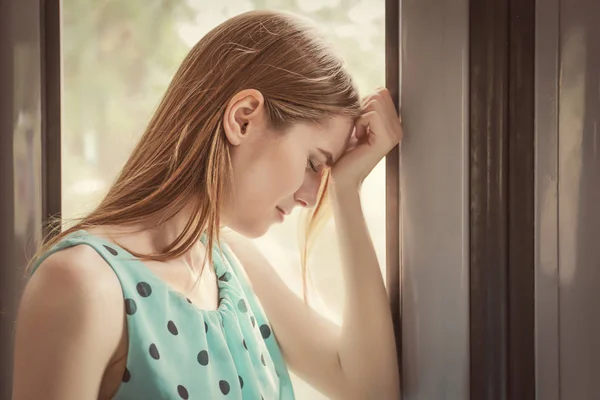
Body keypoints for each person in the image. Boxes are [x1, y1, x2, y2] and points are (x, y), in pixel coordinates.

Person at [12, 10, 401, 400]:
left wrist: (347, 191)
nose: (313, 196)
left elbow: (370, 389)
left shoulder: (232, 265)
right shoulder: (82, 285)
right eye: (314, 164)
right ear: (243, 119)